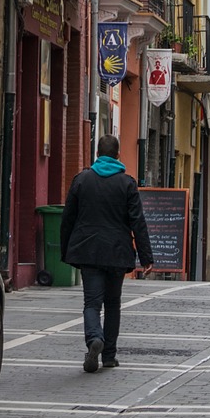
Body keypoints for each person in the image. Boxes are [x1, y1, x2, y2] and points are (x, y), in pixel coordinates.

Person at [60, 134, 154, 372]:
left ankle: (94, 340)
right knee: (112, 303)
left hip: (89, 251)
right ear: (118, 155)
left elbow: (68, 218)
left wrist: (66, 251)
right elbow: (138, 222)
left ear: (97, 154)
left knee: (92, 302)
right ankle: (109, 355)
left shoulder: (82, 180)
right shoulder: (127, 184)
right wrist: (146, 258)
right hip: (117, 252)